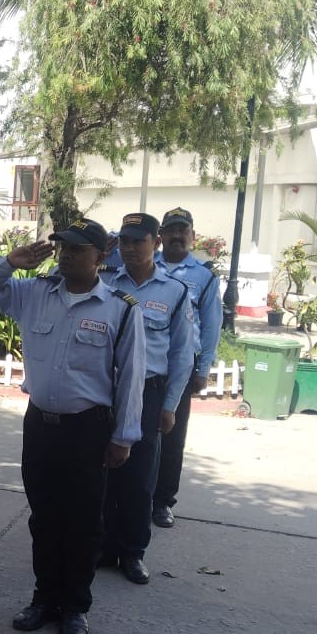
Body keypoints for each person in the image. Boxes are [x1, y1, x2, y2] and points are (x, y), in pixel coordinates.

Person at [0, 218, 144, 634]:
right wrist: (8, 262)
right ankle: (44, 599)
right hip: (41, 426)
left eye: (77, 249)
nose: (66, 255)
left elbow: (131, 377)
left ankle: (74, 607)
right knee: (45, 518)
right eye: (63, 247)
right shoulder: (35, 293)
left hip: (88, 429)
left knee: (83, 522)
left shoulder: (120, 308)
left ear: (100, 256)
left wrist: (123, 437)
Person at [99, 214, 194, 585]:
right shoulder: (105, 281)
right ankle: (103, 545)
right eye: (124, 241)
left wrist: (169, 405)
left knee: (139, 478)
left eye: (138, 241)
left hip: (148, 391)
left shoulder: (174, 291)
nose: (129, 248)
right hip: (106, 390)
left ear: (155, 243)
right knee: (103, 472)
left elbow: (182, 355)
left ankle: (133, 552)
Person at [152, 207, 221, 528]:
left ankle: (163, 501)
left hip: (180, 366)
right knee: (133, 429)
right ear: (161, 236)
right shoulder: (145, 265)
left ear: (192, 236)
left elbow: (211, 326)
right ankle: (132, 495)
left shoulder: (204, 277)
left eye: (183, 231)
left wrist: (203, 368)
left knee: (172, 435)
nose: (177, 236)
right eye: (171, 230)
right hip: (145, 360)